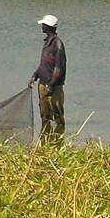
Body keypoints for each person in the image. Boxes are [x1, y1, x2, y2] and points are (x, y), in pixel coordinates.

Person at [30, 13, 66, 141]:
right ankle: (46, 141)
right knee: (45, 116)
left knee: (58, 116)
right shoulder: (47, 43)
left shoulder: (57, 44)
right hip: (43, 83)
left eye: (44, 25)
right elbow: (44, 64)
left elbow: (59, 67)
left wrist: (51, 85)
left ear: (48, 27)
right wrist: (35, 75)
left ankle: (58, 142)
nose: (42, 27)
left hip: (53, 86)